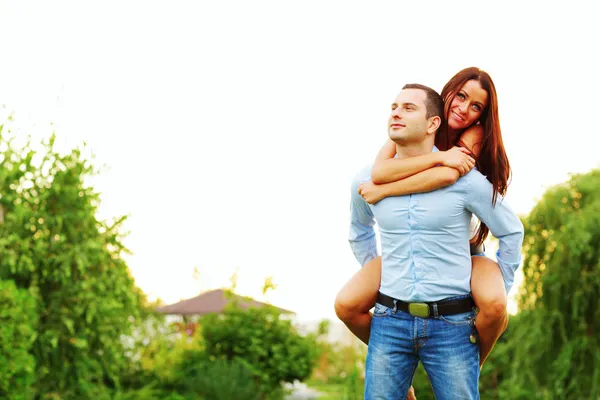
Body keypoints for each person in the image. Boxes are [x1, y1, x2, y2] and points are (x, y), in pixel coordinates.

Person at [336, 68, 512, 380]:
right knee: (347, 304)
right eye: (461, 97)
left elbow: (445, 176)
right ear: (446, 95)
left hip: (467, 250)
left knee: (496, 306)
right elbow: (379, 172)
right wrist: (379, 270)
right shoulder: (409, 128)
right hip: (408, 251)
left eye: (476, 107)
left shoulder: (472, 136)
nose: (464, 109)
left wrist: (385, 190)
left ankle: (473, 362)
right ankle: (397, 368)